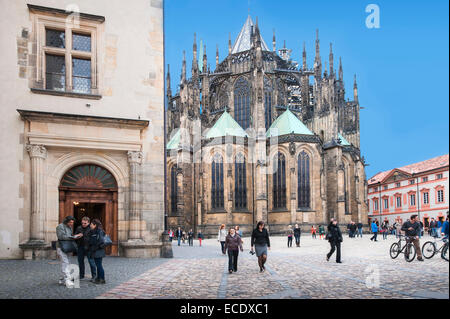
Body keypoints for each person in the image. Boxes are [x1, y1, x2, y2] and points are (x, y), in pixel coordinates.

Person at [56, 216, 83, 288]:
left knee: (67, 263)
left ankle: (62, 279)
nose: (71, 224)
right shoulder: (60, 226)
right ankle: (67, 280)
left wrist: (76, 236)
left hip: (68, 247)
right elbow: (61, 237)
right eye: (70, 222)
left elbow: (70, 236)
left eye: (72, 222)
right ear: (66, 221)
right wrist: (74, 237)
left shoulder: (70, 227)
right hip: (61, 247)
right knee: (65, 262)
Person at [74, 216, 96, 281]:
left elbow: (93, 238)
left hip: (89, 247)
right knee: (80, 262)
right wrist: (77, 236)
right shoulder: (79, 228)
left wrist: (84, 236)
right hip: (80, 247)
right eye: (82, 223)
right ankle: (81, 275)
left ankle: (94, 276)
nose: (83, 224)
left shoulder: (91, 228)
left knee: (91, 262)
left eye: (85, 223)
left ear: (89, 223)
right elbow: (74, 236)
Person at [87, 219, 107, 283]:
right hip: (95, 250)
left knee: (99, 265)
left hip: (98, 250)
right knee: (98, 265)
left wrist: (95, 247)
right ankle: (98, 278)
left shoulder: (99, 231)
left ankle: (102, 279)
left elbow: (101, 241)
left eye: (91, 224)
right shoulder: (93, 231)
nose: (90, 225)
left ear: (95, 225)